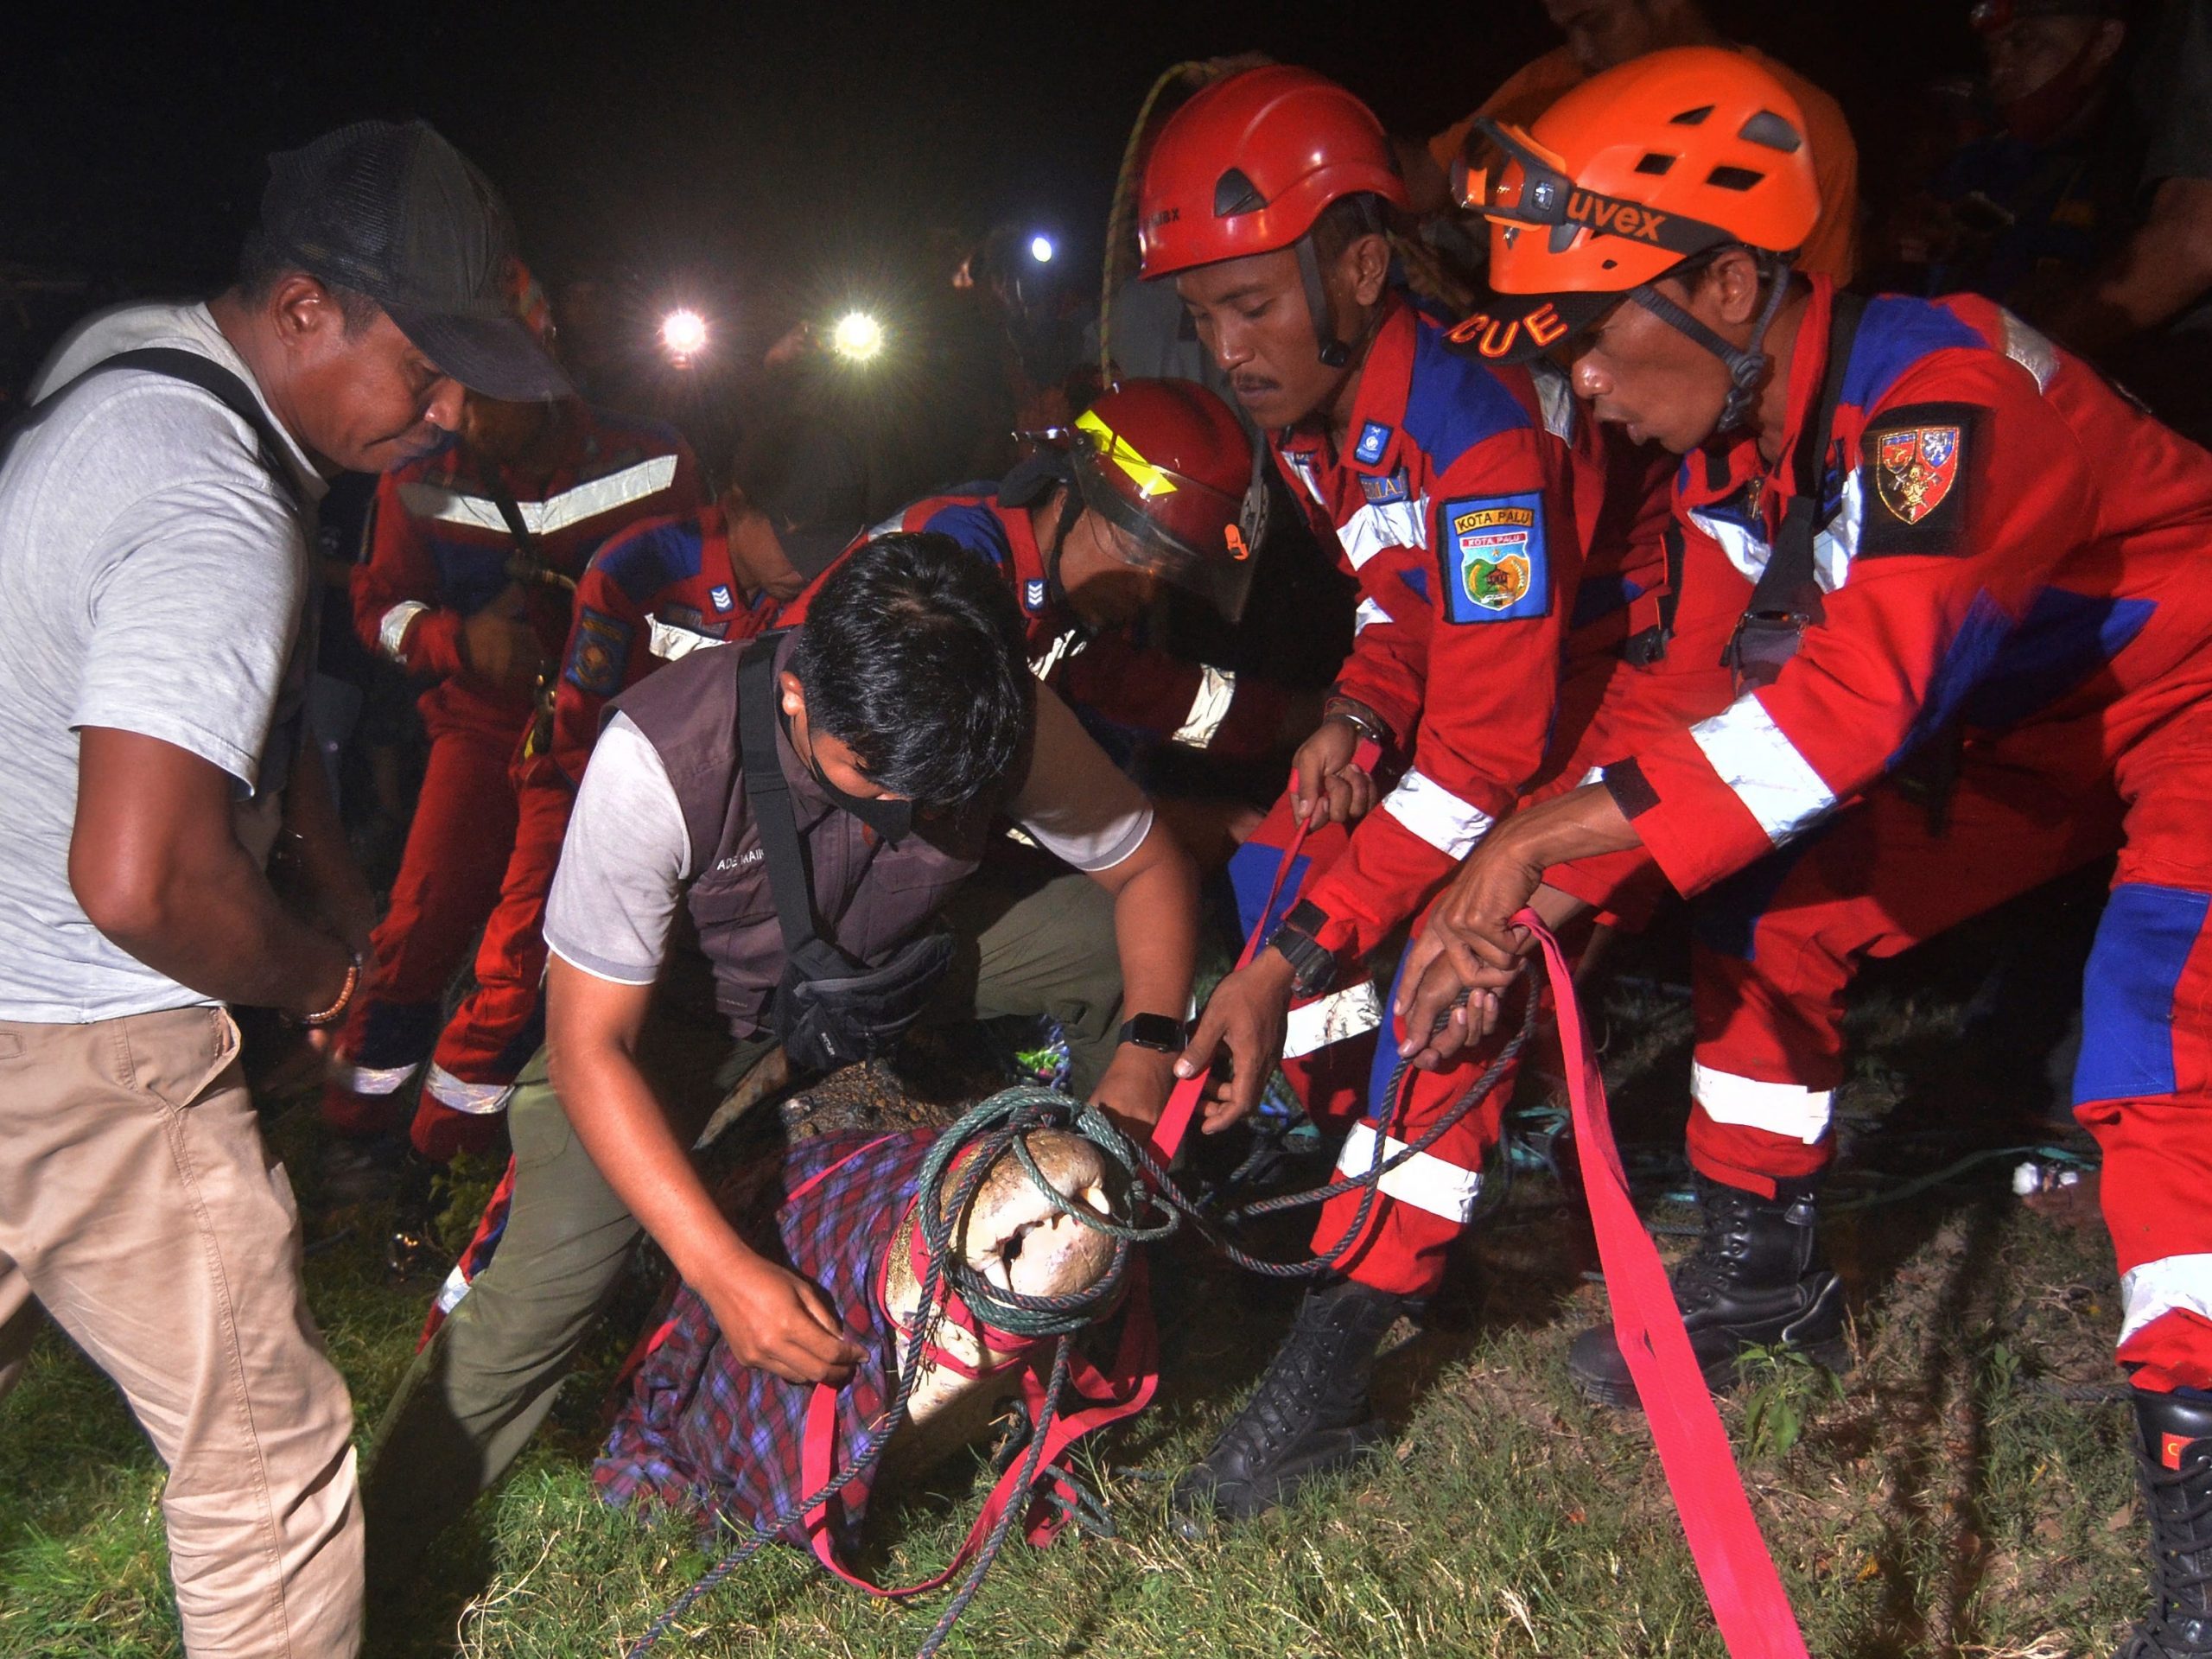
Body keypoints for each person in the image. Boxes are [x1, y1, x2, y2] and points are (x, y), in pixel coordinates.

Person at [1402, 47, 2212, 1656]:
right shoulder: (1744, 448)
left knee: (2155, 1031)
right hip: (2030, 730)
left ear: (1725, 277)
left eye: (1589, 336)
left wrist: (1530, 846)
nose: (1588, 394)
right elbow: (1698, 711)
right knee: (1768, 904)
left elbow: (1853, 707)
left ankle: (2197, 1491)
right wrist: (1520, 896)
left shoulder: (1945, 392)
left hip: (2189, 692)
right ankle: (1765, 1274)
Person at [359, 532, 1261, 1595]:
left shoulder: (992, 713)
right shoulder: (660, 758)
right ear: (796, 698)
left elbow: (1148, 868)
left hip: (898, 957)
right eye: (874, 782)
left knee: (1120, 955)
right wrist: (724, 1272)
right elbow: (589, 1047)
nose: (907, 816)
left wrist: (1148, 1057)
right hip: (685, 1017)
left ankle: (1103, 1281)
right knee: (550, 1280)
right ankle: (362, 1570)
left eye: (941, 795)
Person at [0, 118, 564, 1657]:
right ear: (308, 306)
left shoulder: (134, 368)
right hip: (84, 1037)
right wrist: (318, 979)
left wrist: (323, 857)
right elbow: (137, 876)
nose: (449, 416)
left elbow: (215, 719)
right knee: (267, 1468)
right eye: (426, 370)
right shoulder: (215, 504)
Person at [1131, 64, 1673, 1525]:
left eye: (1254, 303)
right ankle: (1317, 1194)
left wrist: (1313, 952)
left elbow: (1494, 753)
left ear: (1359, 266)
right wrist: (1364, 712)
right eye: (1204, 317)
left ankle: (1334, 1363)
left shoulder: (1476, 431)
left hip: (1618, 681)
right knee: (1288, 873)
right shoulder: (1327, 420)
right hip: (1514, 685)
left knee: (1456, 983)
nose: (1230, 349)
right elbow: (1406, 603)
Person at [322, 275, 703, 1173]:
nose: (444, 413)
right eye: (434, 385)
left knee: (523, 946)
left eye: (466, 388)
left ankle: (450, 1153)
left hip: (596, 745)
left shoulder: (657, 460)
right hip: (478, 729)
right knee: (419, 924)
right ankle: (355, 1134)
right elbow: (377, 607)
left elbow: (699, 602)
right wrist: (456, 640)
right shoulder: (416, 479)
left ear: (533, 374)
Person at [1405, 0, 1861, 284]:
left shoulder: (1807, 128)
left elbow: (1809, 324)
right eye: (1567, 31)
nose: (1581, 53)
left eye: (1594, 24)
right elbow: (1426, 177)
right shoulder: (1551, 87)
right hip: (1570, 393)